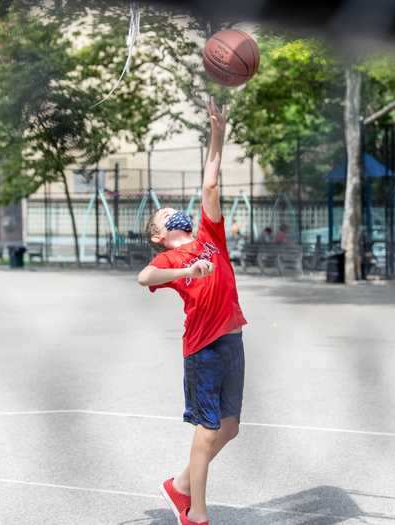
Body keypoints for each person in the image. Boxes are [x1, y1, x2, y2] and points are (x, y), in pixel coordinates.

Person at [137, 97, 247, 525]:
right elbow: (143, 279)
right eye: (163, 216)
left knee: (230, 426)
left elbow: (210, 186)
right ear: (158, 236)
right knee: (208, 430)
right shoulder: (166, 260)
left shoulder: (209, 235)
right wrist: (188, 269)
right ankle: (195, 514)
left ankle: (179, 485)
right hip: (202, 348)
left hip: (232, 338)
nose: (172, 212)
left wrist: (217, 132)